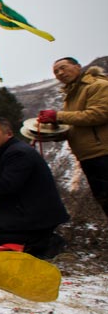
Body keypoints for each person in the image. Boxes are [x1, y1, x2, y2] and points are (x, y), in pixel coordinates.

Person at [0, 117, 69, 258]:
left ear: (9, 134)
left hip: (36, 212)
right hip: (24, 207)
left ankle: (45, 241)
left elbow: (8, 185)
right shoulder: (9, 151)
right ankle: (35, 235)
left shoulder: (18, 153)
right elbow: (3, 183)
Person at [39, 57, 108, 219]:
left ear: (78, 66)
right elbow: (78, 125)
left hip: (104, 153)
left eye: (63, 68)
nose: (60, 73)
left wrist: (58, 116)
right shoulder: (72, 94)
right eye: (56, 72)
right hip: (89, 156)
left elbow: (99, 115)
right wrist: (55, 133)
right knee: (104, 201)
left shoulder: (97, 86)